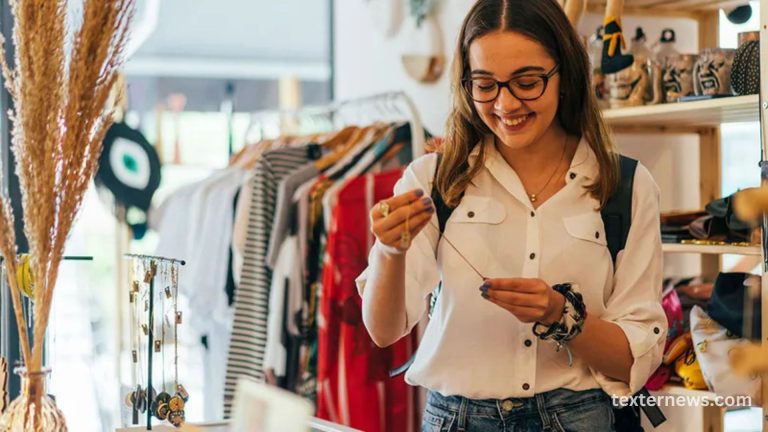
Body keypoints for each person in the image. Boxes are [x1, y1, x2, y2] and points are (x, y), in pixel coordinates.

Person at [355, 0, 666, 430]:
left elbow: (634, 359)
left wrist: (561, 315)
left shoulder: (625, 186)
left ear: (564, 74)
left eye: (527, 82)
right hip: (457, 419)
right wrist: (390, 252)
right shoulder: (433, 180)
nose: (505, 103)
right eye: (485, 85)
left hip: (578, 418)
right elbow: (384, 330)